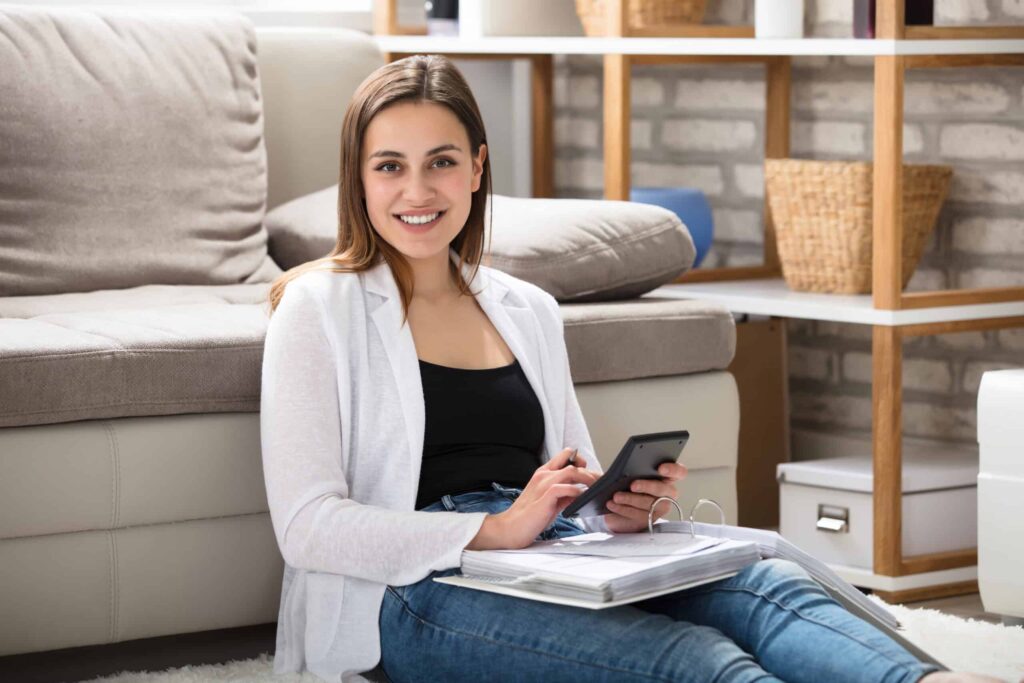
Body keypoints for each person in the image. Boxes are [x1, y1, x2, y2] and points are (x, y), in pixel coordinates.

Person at [260, 55, 996, 683]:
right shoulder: (316, 309)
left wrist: (616, 510)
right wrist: (496, 529)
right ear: (357, 179)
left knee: (764, 587)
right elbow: (309, 526)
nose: (417, 192)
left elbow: (570, 481)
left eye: (442, 163)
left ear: (478, 168)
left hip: (549, 558)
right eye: (390, 166)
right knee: (691, 657)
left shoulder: (528, 308)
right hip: (412, 591)